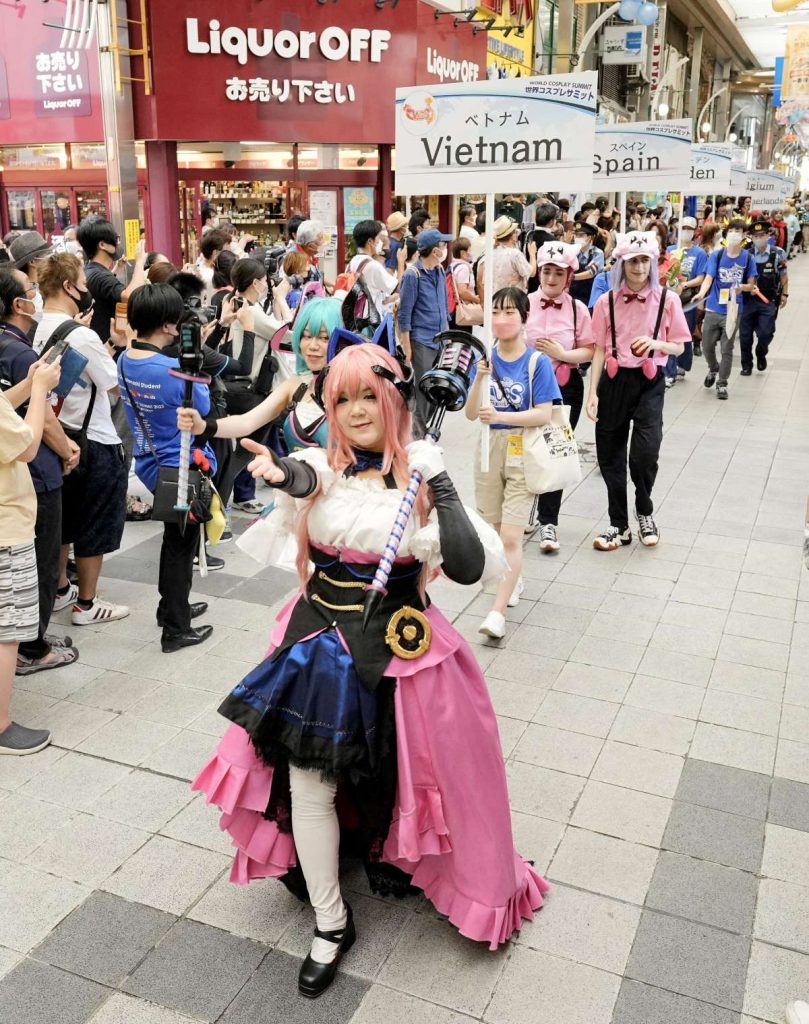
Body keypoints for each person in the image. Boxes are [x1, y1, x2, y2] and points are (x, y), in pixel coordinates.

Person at [191, 342, 547, 998]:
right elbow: (303, 480)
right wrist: (277, 477)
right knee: (310, 783)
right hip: (320, 647)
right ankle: (329, 921)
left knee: (412, 771)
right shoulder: (321, 466)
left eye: (366, 396)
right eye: (342, 398)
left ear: (395, 399)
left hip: (404, 650)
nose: (355, 411)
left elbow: (468, 567)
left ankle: (400, 858)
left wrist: (437, 482)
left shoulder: (418, 476)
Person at [117, 284, 215, 653]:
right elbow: (202, 407)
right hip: (180, 471)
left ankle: (170, 607)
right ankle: (176, 628)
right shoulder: (174, 369)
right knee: (180, 546)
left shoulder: (125, 359)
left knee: (173, 541)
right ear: (170, 326)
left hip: (149, 463)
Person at [34, 253, 129, 623]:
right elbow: (114, 385)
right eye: (84, 284)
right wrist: (120, 346)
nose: (88, 291)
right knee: (95, 522)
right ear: (69, 286)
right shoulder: (82, 334)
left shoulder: (34, 327)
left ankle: (59, 589)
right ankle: (87, 605)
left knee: (64, 519)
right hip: (95, 440)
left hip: (55, 436)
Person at [466, 287, 561, 638]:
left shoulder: (537, 362)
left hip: (522, 450)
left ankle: (497, 614)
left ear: (524, 318)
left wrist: (505, 415)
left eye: (509, 312)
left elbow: (544, 413)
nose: (501, 319)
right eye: (495, 311)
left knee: (510, 535)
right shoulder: (485, 360)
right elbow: (472, 413)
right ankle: (514, 576)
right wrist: (478, 379)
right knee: (493, 528)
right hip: (488, 449)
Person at [586, 232, 690, 551]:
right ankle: (619, 524)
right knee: (610, 456)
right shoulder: (606, 302)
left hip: (649, 381)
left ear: (654, 263)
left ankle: (644, 510)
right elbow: (599, 350)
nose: (639, 267)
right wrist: (593, 392)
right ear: (622, 263)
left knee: (645, 453)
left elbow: (679, 346)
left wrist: (656, 343)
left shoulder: (668, 299)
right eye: (633, 260)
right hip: (614, 381)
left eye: (645, 260)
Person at [0, 269, 80, 674]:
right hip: (23, 485)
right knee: (40, 566)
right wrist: (66, 448)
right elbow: (37, 430)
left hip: (17, 475)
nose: (37, 291)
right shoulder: (21, 352)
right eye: (31, 288)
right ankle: (33, 650)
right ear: (18, 303)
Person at [0, 349, 63, 753]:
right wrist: (39, 392)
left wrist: (26, 385)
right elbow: (25, 446)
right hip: (6, 529)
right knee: (7, 633)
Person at [525, 243, 595, 554]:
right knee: (523, 450)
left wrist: (562, 354)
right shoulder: (524, 303)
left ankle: (548, 520)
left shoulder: (578, 309)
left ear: (568, 277)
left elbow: (590, 350)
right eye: (547, 271)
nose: (552, 277)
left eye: (559, 272)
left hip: (564, 387)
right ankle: (523, 508)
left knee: (555, 451)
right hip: (525, 387)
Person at [694, 219, 758, 400]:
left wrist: (741, 288)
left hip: (733, 309)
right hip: (714, 308)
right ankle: (713, 368)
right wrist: (701, 293)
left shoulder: (748, 258)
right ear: (727, 232)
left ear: (745, 235)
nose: (735, 234)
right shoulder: (717, 255)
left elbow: (751, 285)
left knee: (727, 348)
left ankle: (722, 383)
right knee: (707, 346)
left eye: (739, 231)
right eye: (732, 230)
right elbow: (708, 278)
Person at [397, 227, 452, 432]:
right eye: (442, 245)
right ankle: (417, 435)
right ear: (434, 250)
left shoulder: (438, 270)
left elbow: (443, 305)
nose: (446, 248)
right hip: (421, 340)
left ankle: (424, 429)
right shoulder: (413, 274)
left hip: (440, 339)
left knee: (437, 389)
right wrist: (407, 345)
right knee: (423, 390)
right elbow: (405, 312)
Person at [76, 217, 147, 341]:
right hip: (110, 346)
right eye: (115, 239)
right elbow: (130, 296)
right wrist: (140, 261)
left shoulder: (90, 270)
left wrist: (115, 269)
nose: (117, 243)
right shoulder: (101, 276)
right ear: (102, 245)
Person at [663, 216, 707, 387]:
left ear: (695, 231)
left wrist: (684, 284)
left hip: (688, 298)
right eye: (683, 227)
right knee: (669, 333)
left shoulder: (699, 253)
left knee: (684, 333)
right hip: (669, 297)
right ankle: (670, 371)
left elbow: (701, 277)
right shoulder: (671, 250)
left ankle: (683, 363)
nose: (686, 231)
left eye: (690, 228)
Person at [740, 219, 788, 375]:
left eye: (762, 235)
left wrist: (785, 294)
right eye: (755, 236)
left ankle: (761, 354)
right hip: (748, 301)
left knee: (765, 333)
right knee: (745, 335)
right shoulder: (746, 254)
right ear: (751, 237)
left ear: (768, 235)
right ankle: (746, 365)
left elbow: (784, 276)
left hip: (768, 301)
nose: (758, 238)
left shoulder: (777, 253)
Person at [345, 220, 400, 322]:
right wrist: (400, 262)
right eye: (379, 238)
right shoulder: (373, 265)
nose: (381, 242)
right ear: (370, 242)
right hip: (370, 321)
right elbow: (399, 288)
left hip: (355, 319)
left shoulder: (353, 261)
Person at [477, 217, 536, 304]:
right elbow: (531, 273)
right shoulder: (515, 255)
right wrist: (532, 254)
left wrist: (484, 304)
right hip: (513, 302)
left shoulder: (486, 256)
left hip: (493, 304)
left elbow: (480, 283)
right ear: (513, 236)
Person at [523, 203, 559, 294]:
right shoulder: (553, 241)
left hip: (529, 283)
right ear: (552, 222)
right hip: (546, 285)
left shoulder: (527, 235)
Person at [447, 237, 480, 331]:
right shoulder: (463, 268)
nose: (471, 253)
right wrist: (476, 299)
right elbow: (462, 291)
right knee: (464, 342)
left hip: (453, 309)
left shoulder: (452, 265)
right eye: (469, 250)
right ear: (463, 253)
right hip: (463, 312)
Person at [569, 222, 604, 307]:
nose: (577, 238)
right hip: (573, 294)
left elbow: (591, 273)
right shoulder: (573, 251)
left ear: (589, 237)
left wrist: (571, 277)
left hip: (590, 296)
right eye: (576, 235)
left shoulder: (597, 253)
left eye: (581, 235)